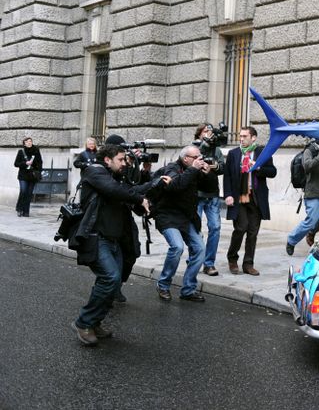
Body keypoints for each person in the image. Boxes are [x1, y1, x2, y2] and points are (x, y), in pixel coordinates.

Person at [69, 143, 168, 346]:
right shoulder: (93, 173)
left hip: (114, 238)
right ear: (107, 160)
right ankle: (84, 322)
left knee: (113, 283)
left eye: (125, 160)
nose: (125, 163)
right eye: (121, 160)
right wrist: (140, 197)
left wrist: (155, 183)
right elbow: (115, 191)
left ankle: (95, 322)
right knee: (110, 278)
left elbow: (129, 189)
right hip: (96, 237)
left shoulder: (115, 176)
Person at [152, 145, 209, 302]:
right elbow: (175, 187)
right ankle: (163, 285)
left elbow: (210, 188)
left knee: (200, 249)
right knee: (177, 247)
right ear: (186, 159)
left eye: (200, 157)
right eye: (196, 157)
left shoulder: (194, 170)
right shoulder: (172, 168)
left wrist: (207, 173)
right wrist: (194, 170)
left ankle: (188, 290)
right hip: (168, 215)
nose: (200, 160)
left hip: (187, 217)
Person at [224, 126, 276, 276]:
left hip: (255, 197)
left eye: (245, 136)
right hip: (238, 197)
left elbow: (272, 172)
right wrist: (227, 195)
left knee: (253, 231)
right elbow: (227, 175)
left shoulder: (262, 153)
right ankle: (232, 259)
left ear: (253, 138)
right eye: (240, 136)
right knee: (241, 228)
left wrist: (258, 168)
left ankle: (248, 264)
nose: (241, 139)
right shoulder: (233, 154)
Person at [193, 123, 226, 276]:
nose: (209, 134)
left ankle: (209, 263)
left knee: (215, 228)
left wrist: (213, 165)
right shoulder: (194, 148)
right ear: (199, 134)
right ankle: (195, 259)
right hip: (197, 195)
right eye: (206, 132)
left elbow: (222, 168)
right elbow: (191, 164)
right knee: (195, 230)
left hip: (212, 194)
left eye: (211, 132)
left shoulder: (217, 149)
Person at [14, 137, 42, 217]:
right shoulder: (21, 152)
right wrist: (25, 163)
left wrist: (39, 172)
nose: (29, 143)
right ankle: (19, 208)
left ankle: (26, 211)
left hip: (32, 175)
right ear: (24, 143)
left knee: (29, 193)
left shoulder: (36, 150)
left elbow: (40, 162)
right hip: (23, 175)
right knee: (23, 191)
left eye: (30, 141)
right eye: (27, 142)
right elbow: (16, 164)